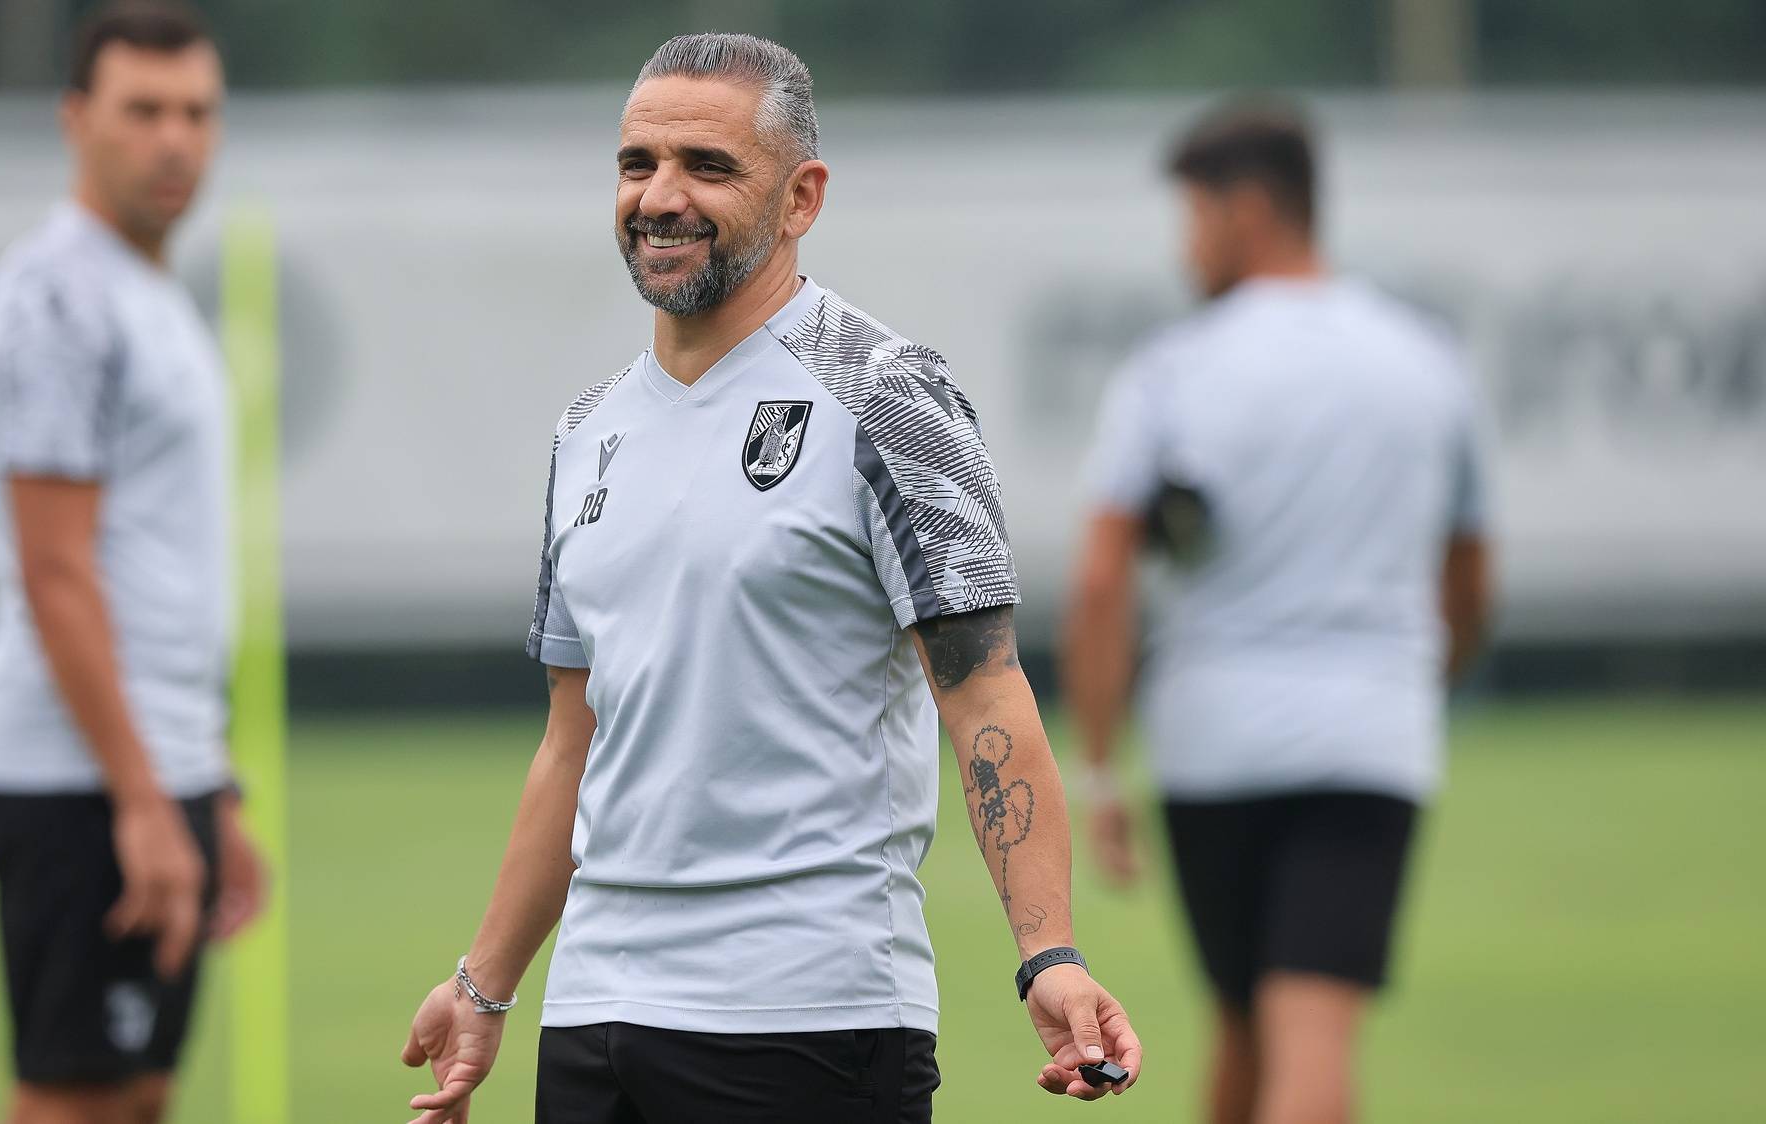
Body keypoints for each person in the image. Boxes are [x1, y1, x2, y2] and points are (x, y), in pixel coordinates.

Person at [400, 32, 1142, 1124]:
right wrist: (484, 982)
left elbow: (982, 692)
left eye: (706, 166)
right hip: (597, 1018)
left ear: (801, 197)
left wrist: (1048, 953)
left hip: (809, 1020)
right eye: (635, 163)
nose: (659, 196)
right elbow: (573, 738)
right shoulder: (585, 431)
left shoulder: (890, 397)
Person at [1060, 100, 1494, 1124]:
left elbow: (1097, 579)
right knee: (1308, 1031)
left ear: (1246, 208)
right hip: (1363, 738)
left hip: (1212, 741)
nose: (1185, 245)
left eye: (1193, 215)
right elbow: (1468, 572)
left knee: (1244, 1023)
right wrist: (1422, 680)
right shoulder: (1423, 359)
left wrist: (1096, 758)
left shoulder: (1171, 370)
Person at [0, 4, 265, 1121]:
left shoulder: (148, 290)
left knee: (134, 1094)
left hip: (151, 761)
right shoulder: (59, 297)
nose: (174, 139)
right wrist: (139, 797)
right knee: (75, 1099)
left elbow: (157, 567)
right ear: (76, 119)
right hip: (74, 771)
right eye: (143, 111)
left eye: (196, 112)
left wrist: (204, 782)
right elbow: (56, 572)